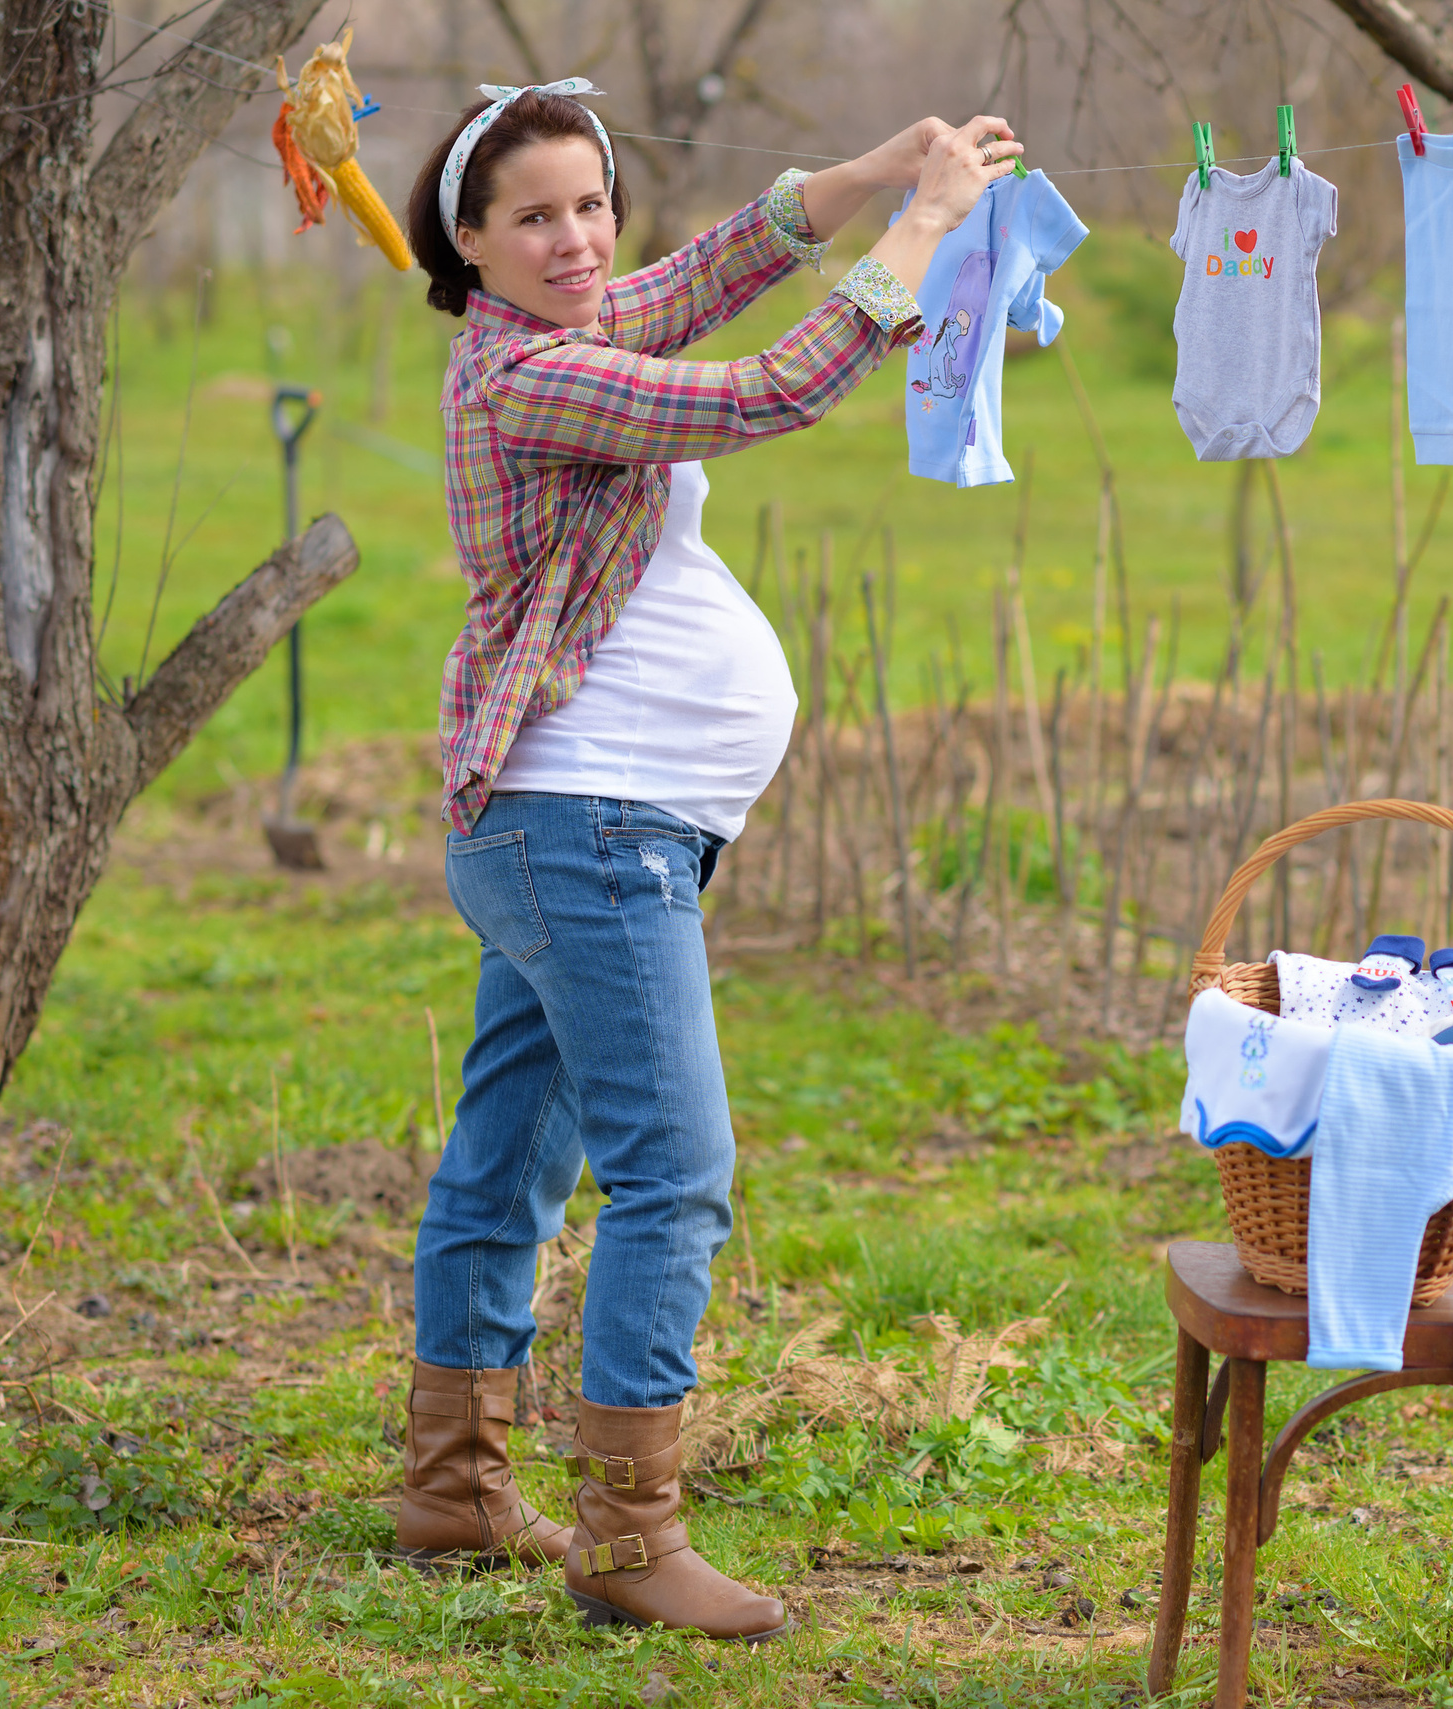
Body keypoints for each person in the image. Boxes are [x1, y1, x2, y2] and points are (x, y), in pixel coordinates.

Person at [391, 80, 1021, 1639]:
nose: (578, 237)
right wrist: (926, 229)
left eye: (592, 202)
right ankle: (627, 1536)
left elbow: (720, 264)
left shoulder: (574, 326)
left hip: (569, 824)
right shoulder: (532, 380)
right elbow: (764, 393)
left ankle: (457, 1484)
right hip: (586, 829)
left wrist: (880, 160)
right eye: (533, 216)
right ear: (470, 245)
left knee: (509, 1157)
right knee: (675, 1173)